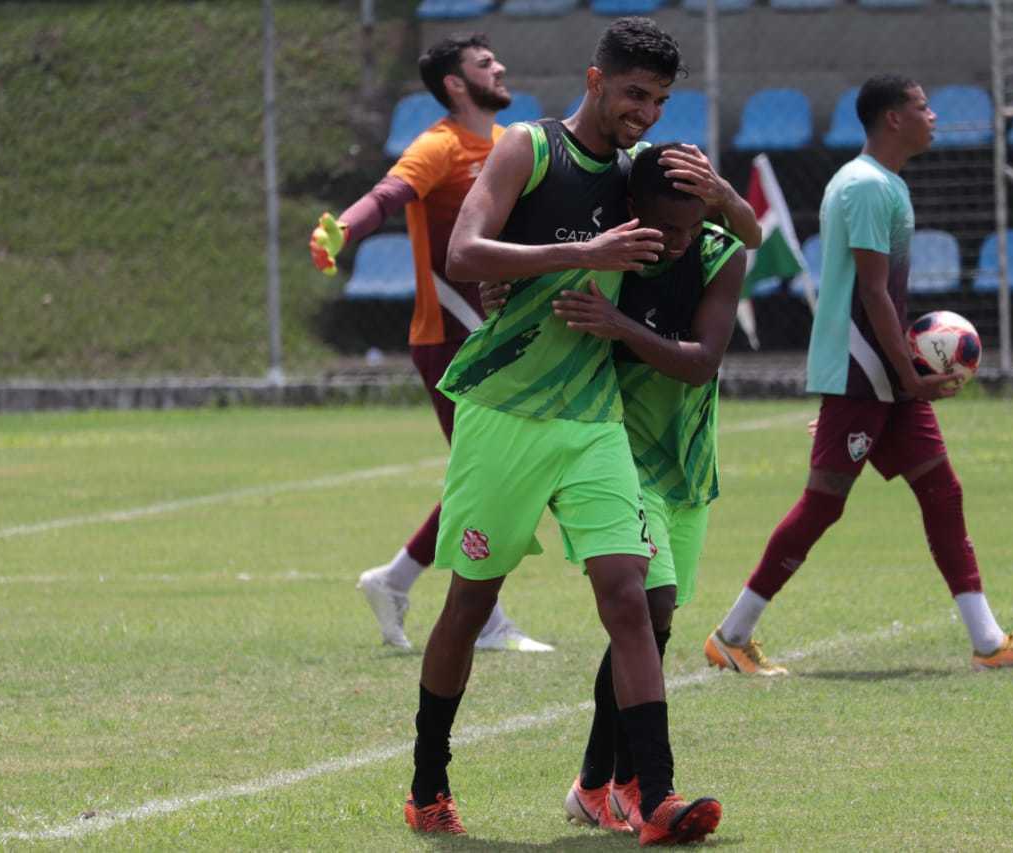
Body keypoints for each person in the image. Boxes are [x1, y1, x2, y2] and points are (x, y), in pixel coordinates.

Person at [403, 19, 723, 845]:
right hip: (503, 415)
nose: (644, 113)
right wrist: (574, 253)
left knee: (632, 598)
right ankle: (427, 783)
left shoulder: (633, 179)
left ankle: (653, 796)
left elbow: (731, 240)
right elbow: (467, 252)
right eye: (633, 94)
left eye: (658, 100)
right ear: (595, 80)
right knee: (469, 604)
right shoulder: (526, 150)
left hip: (590, 419)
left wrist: (723, 201)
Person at [703, 74, 1013, 677]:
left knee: (942, 492)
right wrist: (912, 375)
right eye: (924, 107)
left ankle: (988, 642)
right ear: (893, 118)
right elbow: (873, 294)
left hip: (883, 376)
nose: (934, 117)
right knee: (823, 504)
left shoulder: (882, 183)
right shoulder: (868, 187)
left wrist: (905, 378)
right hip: (865, 372)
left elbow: (877, 295)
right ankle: (731, 635)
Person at [309, 33, 550, 653]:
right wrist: (342, 232)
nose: (499, 66)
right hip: (449, 339)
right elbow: (388, 196)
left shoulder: (507, 143)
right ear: (455, 83)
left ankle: (395, 580)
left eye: (496, 58)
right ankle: (485, 621)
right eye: (484, 63)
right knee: (491, 476)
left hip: (497, 335)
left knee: (495, 474)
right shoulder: (438, 145)